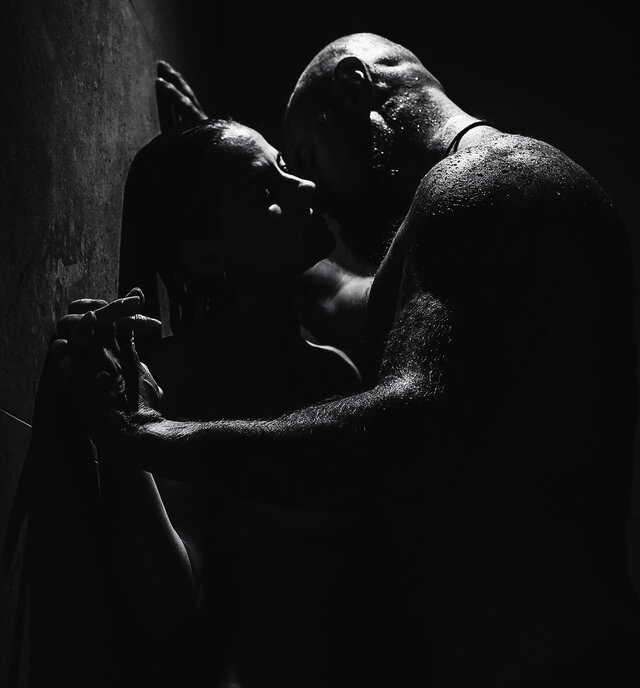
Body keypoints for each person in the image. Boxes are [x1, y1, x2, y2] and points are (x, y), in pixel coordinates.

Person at [56, 33, 639, 687]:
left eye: (303, 158)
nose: (314, 189)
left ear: (355, 90)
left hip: (540, 658)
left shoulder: (484, 186)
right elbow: (350, 301)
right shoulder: (487, 197)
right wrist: (222, 174)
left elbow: (407, 430)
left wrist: (150, 437)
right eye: (278, 179)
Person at [53, 116, 363, 688]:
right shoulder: (180, 382)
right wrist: (122, 431)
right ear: (205, 256)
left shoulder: (334, 373)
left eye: (284, 167)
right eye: (265, 193)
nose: (307, 186)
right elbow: (166, 601)